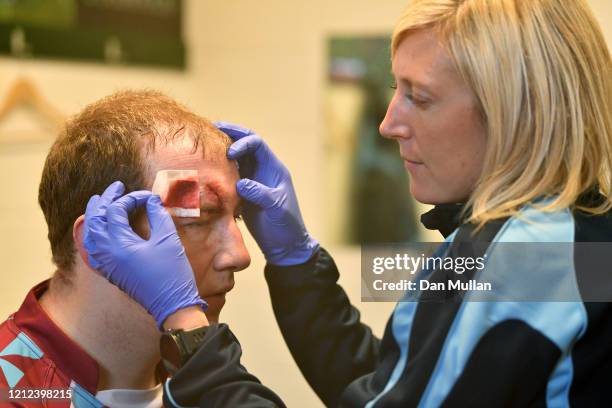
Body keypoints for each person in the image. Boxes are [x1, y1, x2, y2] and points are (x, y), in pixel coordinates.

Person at [83, 0, 612, 406]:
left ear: (516, 113)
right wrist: (297, 265)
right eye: (394, 89)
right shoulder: (570, 239)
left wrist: (187, 327)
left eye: (420, 97)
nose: (388, 124)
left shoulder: (529, 256)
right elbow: (383, 390)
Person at [0, 90, 250, 407]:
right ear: (97, 242)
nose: (240, 255)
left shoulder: (206, 380)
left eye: (237, 215)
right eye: (199, 219)